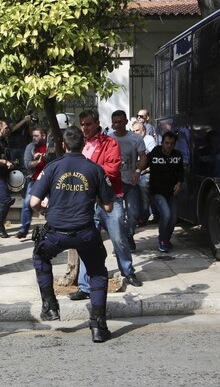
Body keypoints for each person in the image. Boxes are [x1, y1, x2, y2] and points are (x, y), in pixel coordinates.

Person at [29, 126, 115, 342]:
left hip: (55, 233)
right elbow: (108, 208)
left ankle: (50, 306)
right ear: (84, 145)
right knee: (97, 272)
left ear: (64, 145)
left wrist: (46, 210)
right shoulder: (95, 170)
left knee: (40, 256)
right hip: (85, 232)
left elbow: (33, 203)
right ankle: (98, 326)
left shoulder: (52, 168)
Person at [70, 109, 142, 302]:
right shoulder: (80, 145)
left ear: (97, 123)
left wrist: (86, 172)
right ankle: (85, 286)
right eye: (82, 124)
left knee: (118, 238)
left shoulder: (109, 143)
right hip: (86, 202)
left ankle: (128, 271)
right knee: (86, 243)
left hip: (109, 199)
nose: (85, 128)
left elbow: (111, 169)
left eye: (88, 124)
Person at [109, 109, 147, 251]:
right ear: (112, 124)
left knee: (134, 214)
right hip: (114, 184)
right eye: (115, 122)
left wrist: (138, 171)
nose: (118, 125)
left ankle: (128, 234)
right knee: (117, 217)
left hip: (131, 182)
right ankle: (120, 242)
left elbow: (143, 156)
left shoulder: (135, 138)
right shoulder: (109, 138)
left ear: (126, 122)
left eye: (120, 121)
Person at [142, 131, 184, 253]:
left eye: (171, 143)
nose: (169, 146)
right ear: (162, 143)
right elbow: (144, 163)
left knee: (173, 217)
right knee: (166, 214)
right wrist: (137, 169)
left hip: (171, 192)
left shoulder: (178, 155)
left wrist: (179, 183)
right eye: (166, 143)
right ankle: (162, 240)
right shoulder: (155, 152)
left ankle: (166, 239)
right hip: (157, 191)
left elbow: (181, 172)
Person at [16, 127, 48, 238]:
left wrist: (46, 158)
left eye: (36, 136)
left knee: (52, 203)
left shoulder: (50, 146)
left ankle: (52, 225)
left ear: (43, 136)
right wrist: (38, 161)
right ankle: (23, 229)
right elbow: (27, 164)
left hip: (49, 180)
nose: (34, 138)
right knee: (27, 204)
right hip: (35, 181)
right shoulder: (30, 147)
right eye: (33, 136)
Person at [132, 121, 157, 226]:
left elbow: (151, 159)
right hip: (135, 171)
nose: (135, 133)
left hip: (146, 172)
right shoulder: (132, 140)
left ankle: (144, 216)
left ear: (144, 130)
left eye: (137, 130)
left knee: (143, 186)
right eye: (133, 131)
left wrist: (141, 168)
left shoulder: (149, 140)